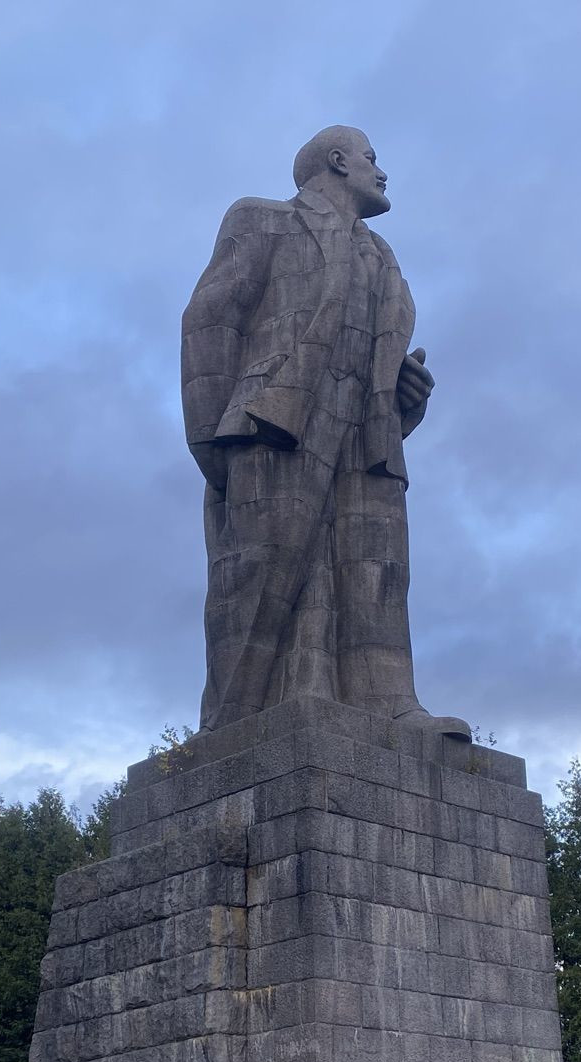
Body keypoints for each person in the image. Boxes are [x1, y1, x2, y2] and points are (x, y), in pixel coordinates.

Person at [181, 125, 466, 737]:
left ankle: (388, 704)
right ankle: (235, 723)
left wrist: (403, 399)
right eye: (371, 158)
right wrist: (215, 443)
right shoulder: (263, 220)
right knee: (263, 577)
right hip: (275, 419)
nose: (381, 170)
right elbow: (210, 320)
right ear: (338, 162)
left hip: (365, 432)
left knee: (377, 571)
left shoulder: (381, 256)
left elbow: (376, 350)